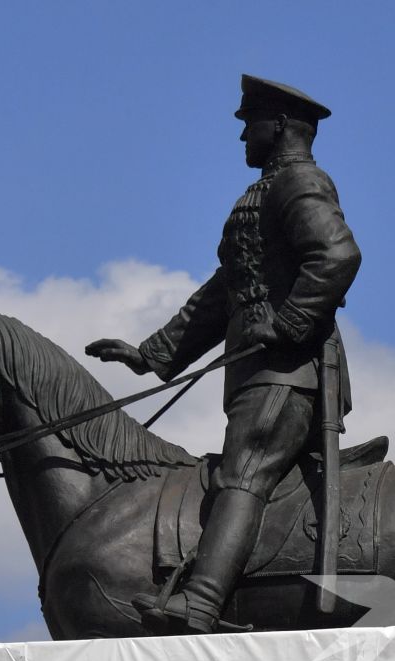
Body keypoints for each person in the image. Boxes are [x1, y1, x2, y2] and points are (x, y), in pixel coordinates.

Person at [86, 75, 361, 633]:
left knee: (244, 474)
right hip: (262, 372)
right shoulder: (269, 190)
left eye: (249, 124)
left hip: (290, 373)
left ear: (279, 126)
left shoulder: (300, 183)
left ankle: (203, 601)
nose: (242, 137)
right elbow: (225, 292)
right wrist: (153, 353)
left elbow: (336, 256)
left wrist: (287, 325)